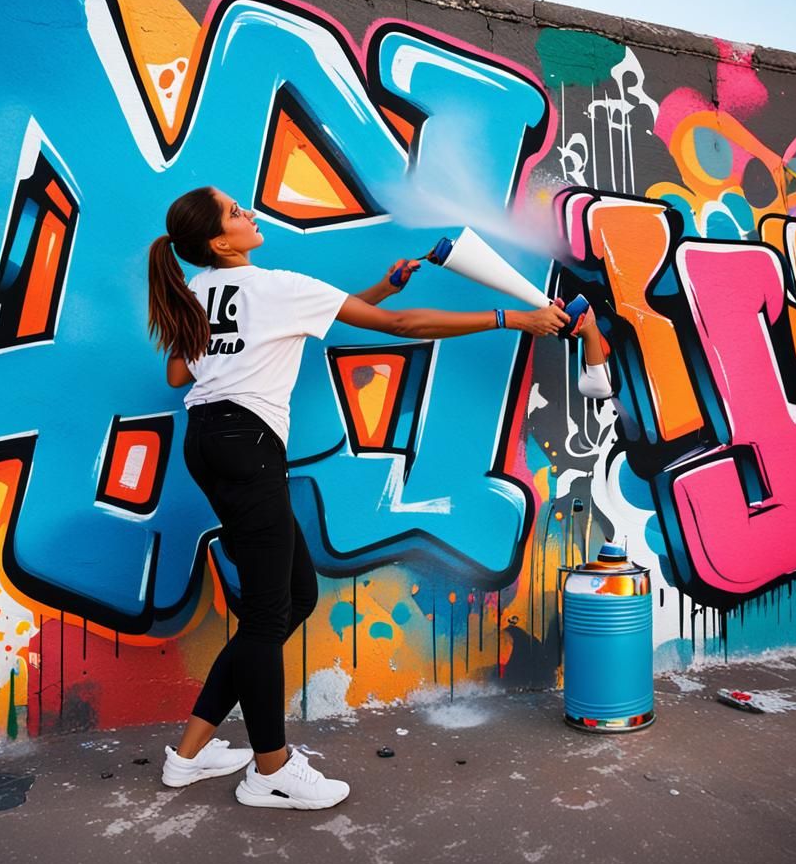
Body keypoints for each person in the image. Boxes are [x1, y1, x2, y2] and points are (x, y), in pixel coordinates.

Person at [146, 185, 605, 810]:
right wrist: (514, 320)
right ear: (221, 242)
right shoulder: (274, 286)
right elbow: (400, 328)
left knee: (294, 598)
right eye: (234, 212)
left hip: (208, 442)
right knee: (266, 616)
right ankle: (271, 769)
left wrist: (382, 288)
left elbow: (180, 373)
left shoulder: (199, 291)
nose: (247, 213)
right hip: (248, 448)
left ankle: (188, 756)